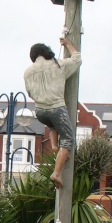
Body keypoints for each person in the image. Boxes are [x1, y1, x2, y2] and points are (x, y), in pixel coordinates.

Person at [23, 36, 82, 188]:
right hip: (56, 108)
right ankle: (56, 173)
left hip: (40, 112)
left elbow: (29, 93)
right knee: (68, 140)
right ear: (45, 52)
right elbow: (77, 59)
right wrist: (68, 43)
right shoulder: (58, 64)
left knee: (52, 125)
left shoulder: (28, 72)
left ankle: (55, 146)